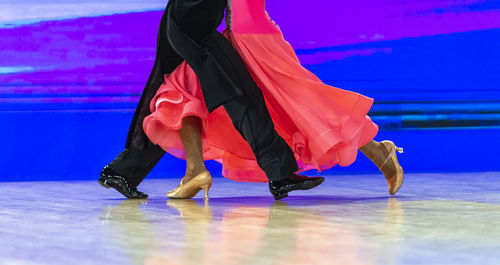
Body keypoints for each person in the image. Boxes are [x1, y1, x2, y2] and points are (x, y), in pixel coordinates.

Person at [142, 0, 404, 200]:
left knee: (302, 105)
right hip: (232, 38)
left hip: (258, 39)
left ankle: (379, 150)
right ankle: (194, 171)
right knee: (184, 86)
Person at [99, 0, 325, 201]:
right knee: (239, 94)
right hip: (194, 24)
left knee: (175, 93)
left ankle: (123, 171)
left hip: (187, 20)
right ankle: (279, 174)